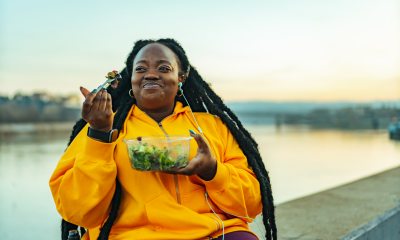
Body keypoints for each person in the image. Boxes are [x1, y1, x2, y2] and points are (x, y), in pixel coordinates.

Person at [49, 38, 277, 240]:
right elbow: (78, 211)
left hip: (213, 234)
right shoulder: (104, 126)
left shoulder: (212, 126)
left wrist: (213, 172)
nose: (150, 74)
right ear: (132, 79)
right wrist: (99, 136)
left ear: (181, 77)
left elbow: (253, 204)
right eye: (140, 69)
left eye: (163, 67)